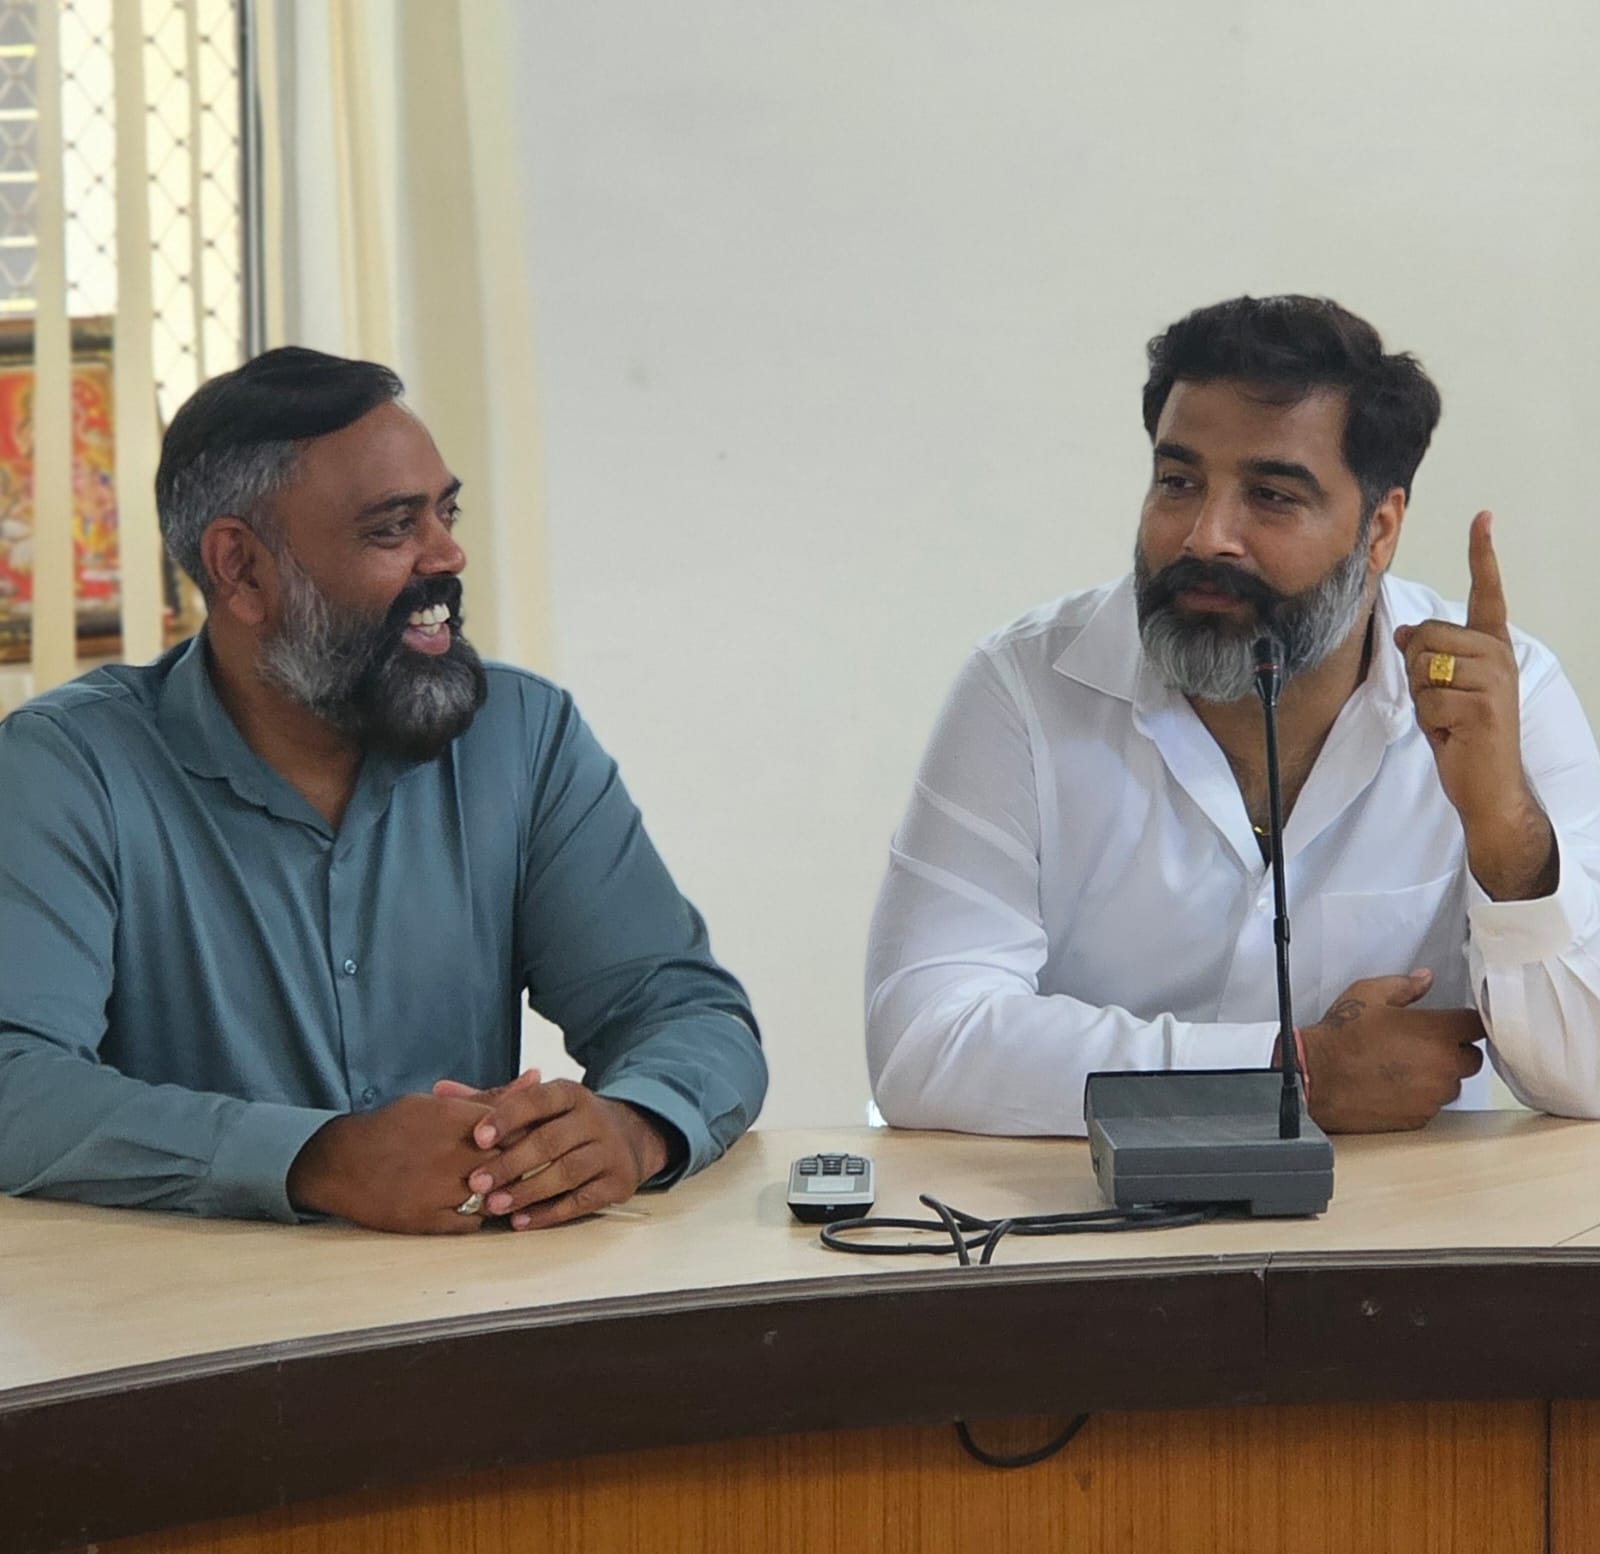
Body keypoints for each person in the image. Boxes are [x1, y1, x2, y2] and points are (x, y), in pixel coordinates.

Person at [0, 347, 766, 1232]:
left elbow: (684, 1011)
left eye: (446, 512)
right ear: (240, 569)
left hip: (479, 1302)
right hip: (186, 1311)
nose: (449, 554)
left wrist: (630, 1129)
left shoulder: (522, 737)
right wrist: (315, 1158)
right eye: (394, 528)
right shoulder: (69, 767)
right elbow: (16, 1084)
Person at [867, 294, 1600, 1137]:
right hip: (1086, 1211)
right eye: (1178, 483)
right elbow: (924, 1042)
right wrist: (1290, 1072)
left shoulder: (1502, 699)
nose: (1206, 536)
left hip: (1401, 1211)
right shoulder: (1027, 686)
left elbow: (1586, 1078)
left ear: (1379, 530)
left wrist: (1506, 833)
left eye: (1271, 495)